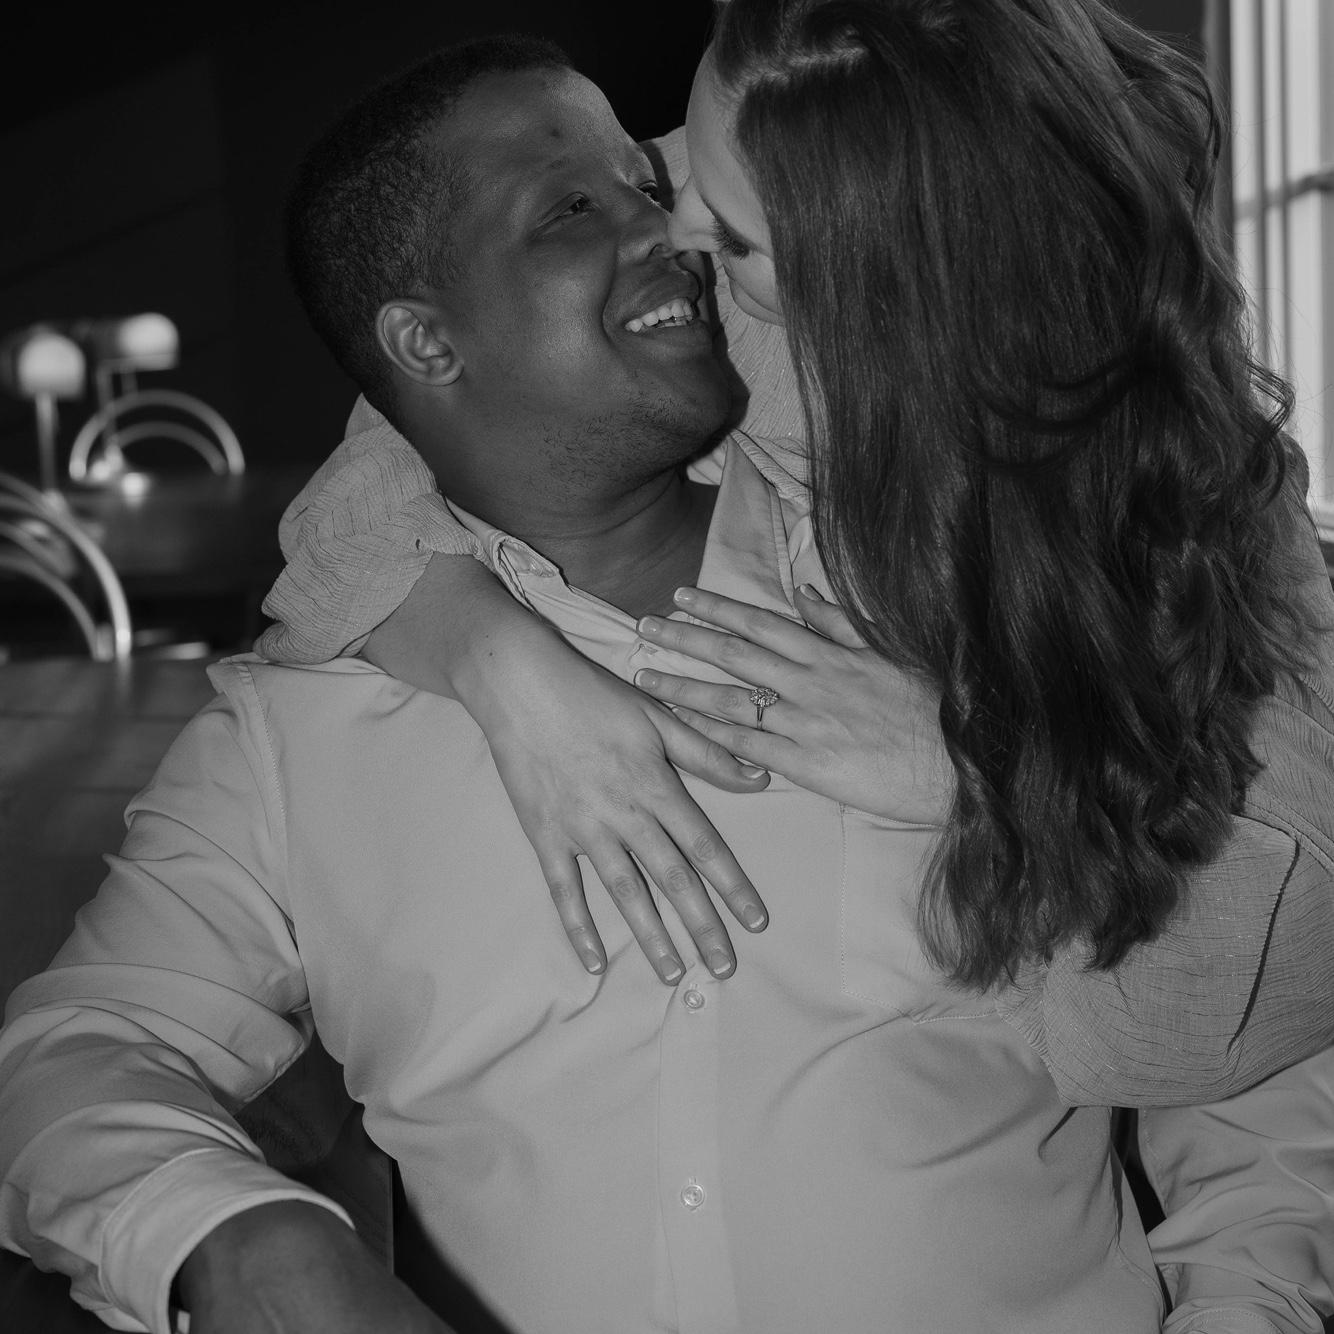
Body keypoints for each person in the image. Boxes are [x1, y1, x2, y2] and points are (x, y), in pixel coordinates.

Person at [3, 34, 1330, 1334]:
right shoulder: (299, 733)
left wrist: (1241, 1307)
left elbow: (1246, 1042)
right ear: (426, 340)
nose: (673, 230)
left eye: (654, 189)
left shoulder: (984, 599)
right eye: (575, 209)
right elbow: (69, 1051)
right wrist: (234, 1240)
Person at [257, 0, 1334, 1102]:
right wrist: (495, 657)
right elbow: (390, 445)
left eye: (736, 242)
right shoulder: (751, 155)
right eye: (663, 175)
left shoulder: (1201, 502)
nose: (674, 235)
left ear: (889, 272)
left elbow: (1191, 1032)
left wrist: (981, 782)